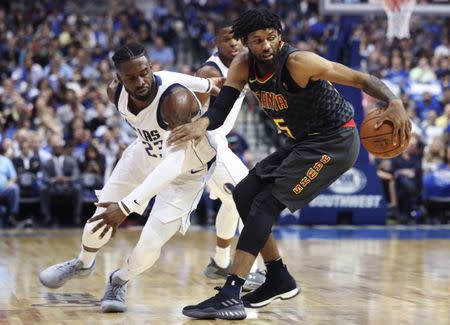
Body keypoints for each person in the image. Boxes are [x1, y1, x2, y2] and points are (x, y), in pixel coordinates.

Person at [168, 9, 411, 320]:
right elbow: (223, 106)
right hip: (303, 141)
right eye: (257, 41)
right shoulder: (242, 64)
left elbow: (360, 78)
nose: (266, 45)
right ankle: (278, 278)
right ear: (246, 43)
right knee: (243, 194)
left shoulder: (298, 62)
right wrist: (202, 124)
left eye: (271, 38)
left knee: (266, 203)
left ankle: (231, 292)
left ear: (279, 36)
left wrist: (395, 101)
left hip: (335, 141)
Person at [39, 42, 223, 313]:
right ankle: (83, 262)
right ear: (119, 79)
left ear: (151, 68)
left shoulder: (176, 100)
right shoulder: (115, 93)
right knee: (99, 218)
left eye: (144, 73)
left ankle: (118, 280)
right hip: (144, 154)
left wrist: (126, 207)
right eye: (131, 77)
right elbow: (176, 78)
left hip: (186, 172)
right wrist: (208, 85)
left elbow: (172, 166)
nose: (140, 82)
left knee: (148, 245)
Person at [195, 19, 264, 291]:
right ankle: (251, 271)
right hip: (204, 143)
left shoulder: (245, 63)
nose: (234, 43)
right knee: (251, 198)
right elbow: (194, 115)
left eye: (238, 38)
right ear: (216, 43)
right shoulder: (208, 71)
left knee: (234, 202)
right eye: (227, 39)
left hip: (219, 142)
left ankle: (220, 263)